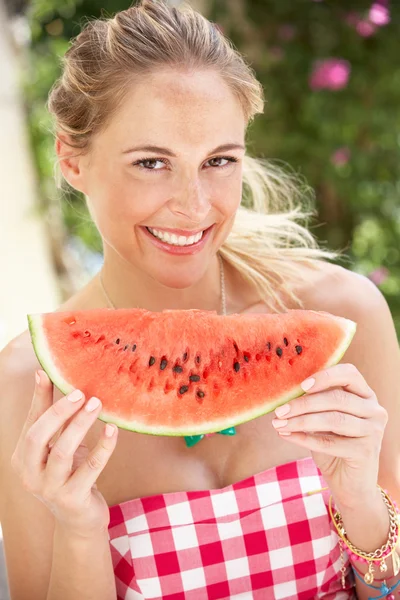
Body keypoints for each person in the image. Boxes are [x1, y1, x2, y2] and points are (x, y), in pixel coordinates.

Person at [0, 1, 399, 599]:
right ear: (71, 159)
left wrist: (361, 500)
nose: (193, 205)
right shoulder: (26, 386)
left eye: (218, 162)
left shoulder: (348, 317)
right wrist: (79, 530)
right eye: (152, 163)